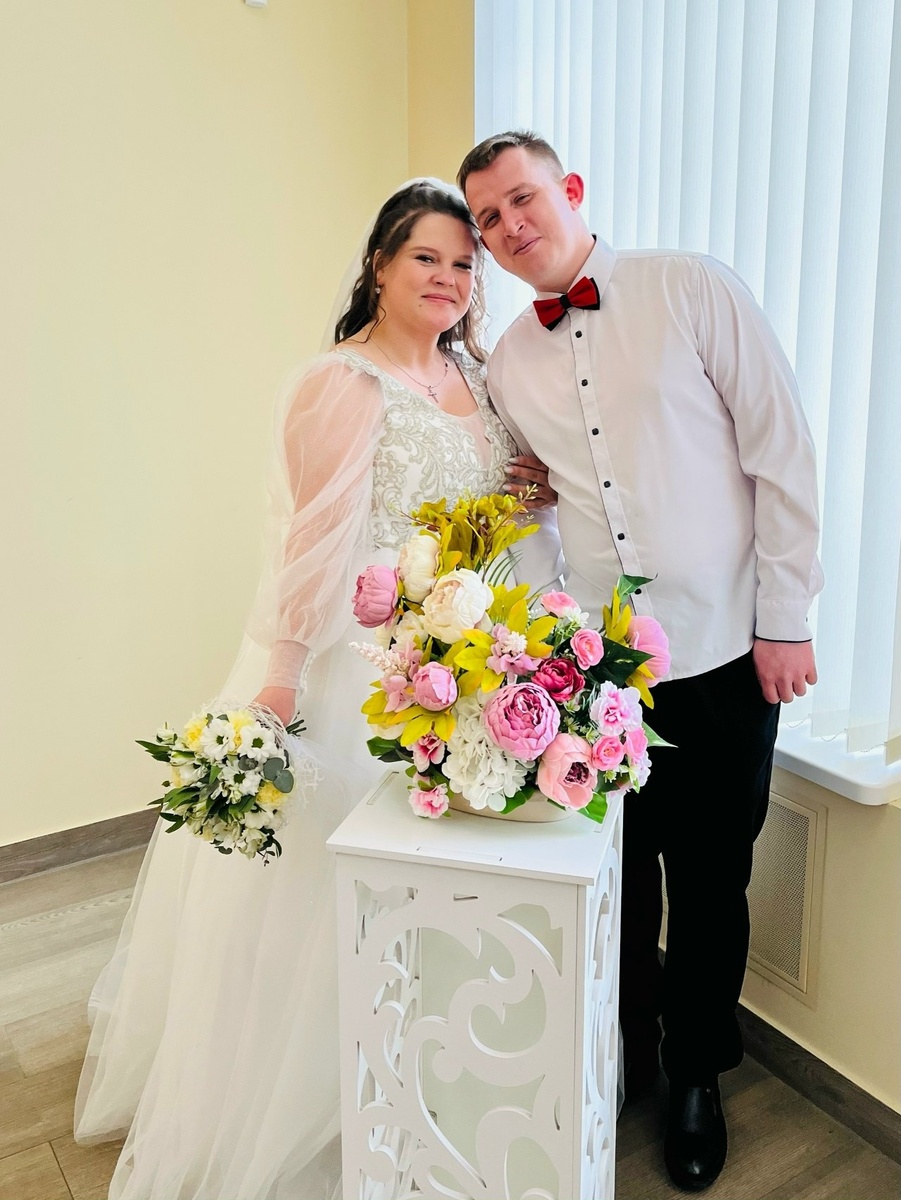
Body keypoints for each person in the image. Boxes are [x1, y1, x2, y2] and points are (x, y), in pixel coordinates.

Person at [73, 177, 556, 1200]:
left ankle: (431, 1078)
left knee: (438, 894)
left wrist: (523, 503)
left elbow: (473, 516)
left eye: (463, 264)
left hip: (460, 662)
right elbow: (316, 541)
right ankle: (312, 1106)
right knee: (327, 907)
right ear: (379, 266)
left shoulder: (475, 374)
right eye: (425, 257)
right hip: (359, 668)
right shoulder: (341, 382)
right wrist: (282, 684)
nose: (448, 278)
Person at [458, 131, 823, 1193]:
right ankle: (621, 1055)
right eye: (487, 218)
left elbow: (780, 450)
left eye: (521, 198)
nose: (509, 226)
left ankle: (696, 1074)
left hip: (724, 654)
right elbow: (536, 510)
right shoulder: (508, 362)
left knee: (710, 881)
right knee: (614, 882)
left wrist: (786, 618)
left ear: (569, 190)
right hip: (599, 674)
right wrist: (544, 646)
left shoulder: (690, 288)